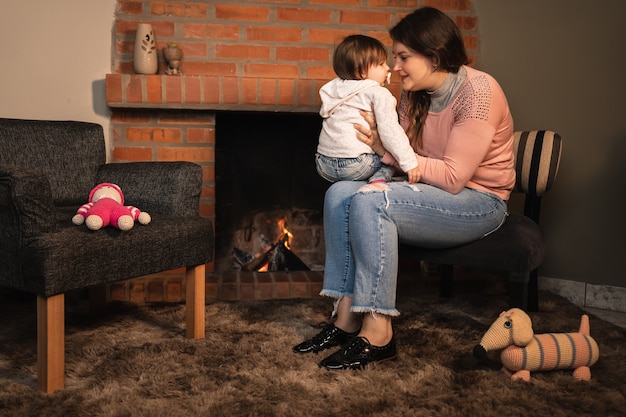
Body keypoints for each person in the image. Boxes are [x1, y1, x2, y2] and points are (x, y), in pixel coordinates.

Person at [293, 6, 515, 370]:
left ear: (435, 54)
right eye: (394, 57)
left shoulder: (479, 92)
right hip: (428, 191)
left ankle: (379, 332)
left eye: (403, 57)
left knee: (372, 201)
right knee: (340, 194)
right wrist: (377, 150)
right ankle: (346, 317)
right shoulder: (414, 94)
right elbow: (398, 150)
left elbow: (453, 177)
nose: (395, 67)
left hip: (478, 201)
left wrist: (384, 151)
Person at [315, 34, 419, 184]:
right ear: (362, 72)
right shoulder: (378, 92)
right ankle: (377, 182)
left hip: (324, 164)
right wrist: (409, 162)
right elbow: (390, 131)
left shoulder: (334, 89)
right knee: (389, 161)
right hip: (356, 164)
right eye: (382, 64)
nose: (388, 68)